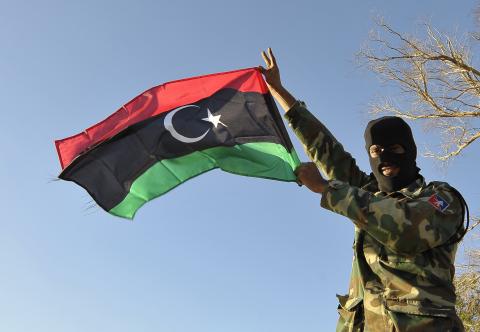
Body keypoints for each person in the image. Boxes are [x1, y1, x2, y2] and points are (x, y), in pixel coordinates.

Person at [260, 48, 467, 331]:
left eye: (394, 149)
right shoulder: (368, 193)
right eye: (376, 151)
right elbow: (326, 151)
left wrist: (326, 189)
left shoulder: (441, 198)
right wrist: (279, 92)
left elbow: (406, 229)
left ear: (410, 152)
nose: (385, 158)